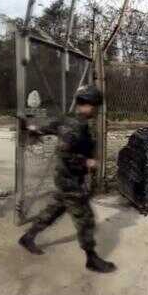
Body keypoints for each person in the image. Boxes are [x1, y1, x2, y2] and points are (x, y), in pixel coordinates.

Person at [18, 85, 116, 273]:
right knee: (86, 219)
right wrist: (86, 162)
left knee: (54, 210)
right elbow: (65, 152)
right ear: (85, 104)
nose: (96, 110)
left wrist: (31, 127)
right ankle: (91, 259)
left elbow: (45, 128)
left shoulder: (67, 118)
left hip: (65, 178)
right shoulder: (75, 126)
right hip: (69, 180)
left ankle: (27, 237)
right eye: (95, 105)